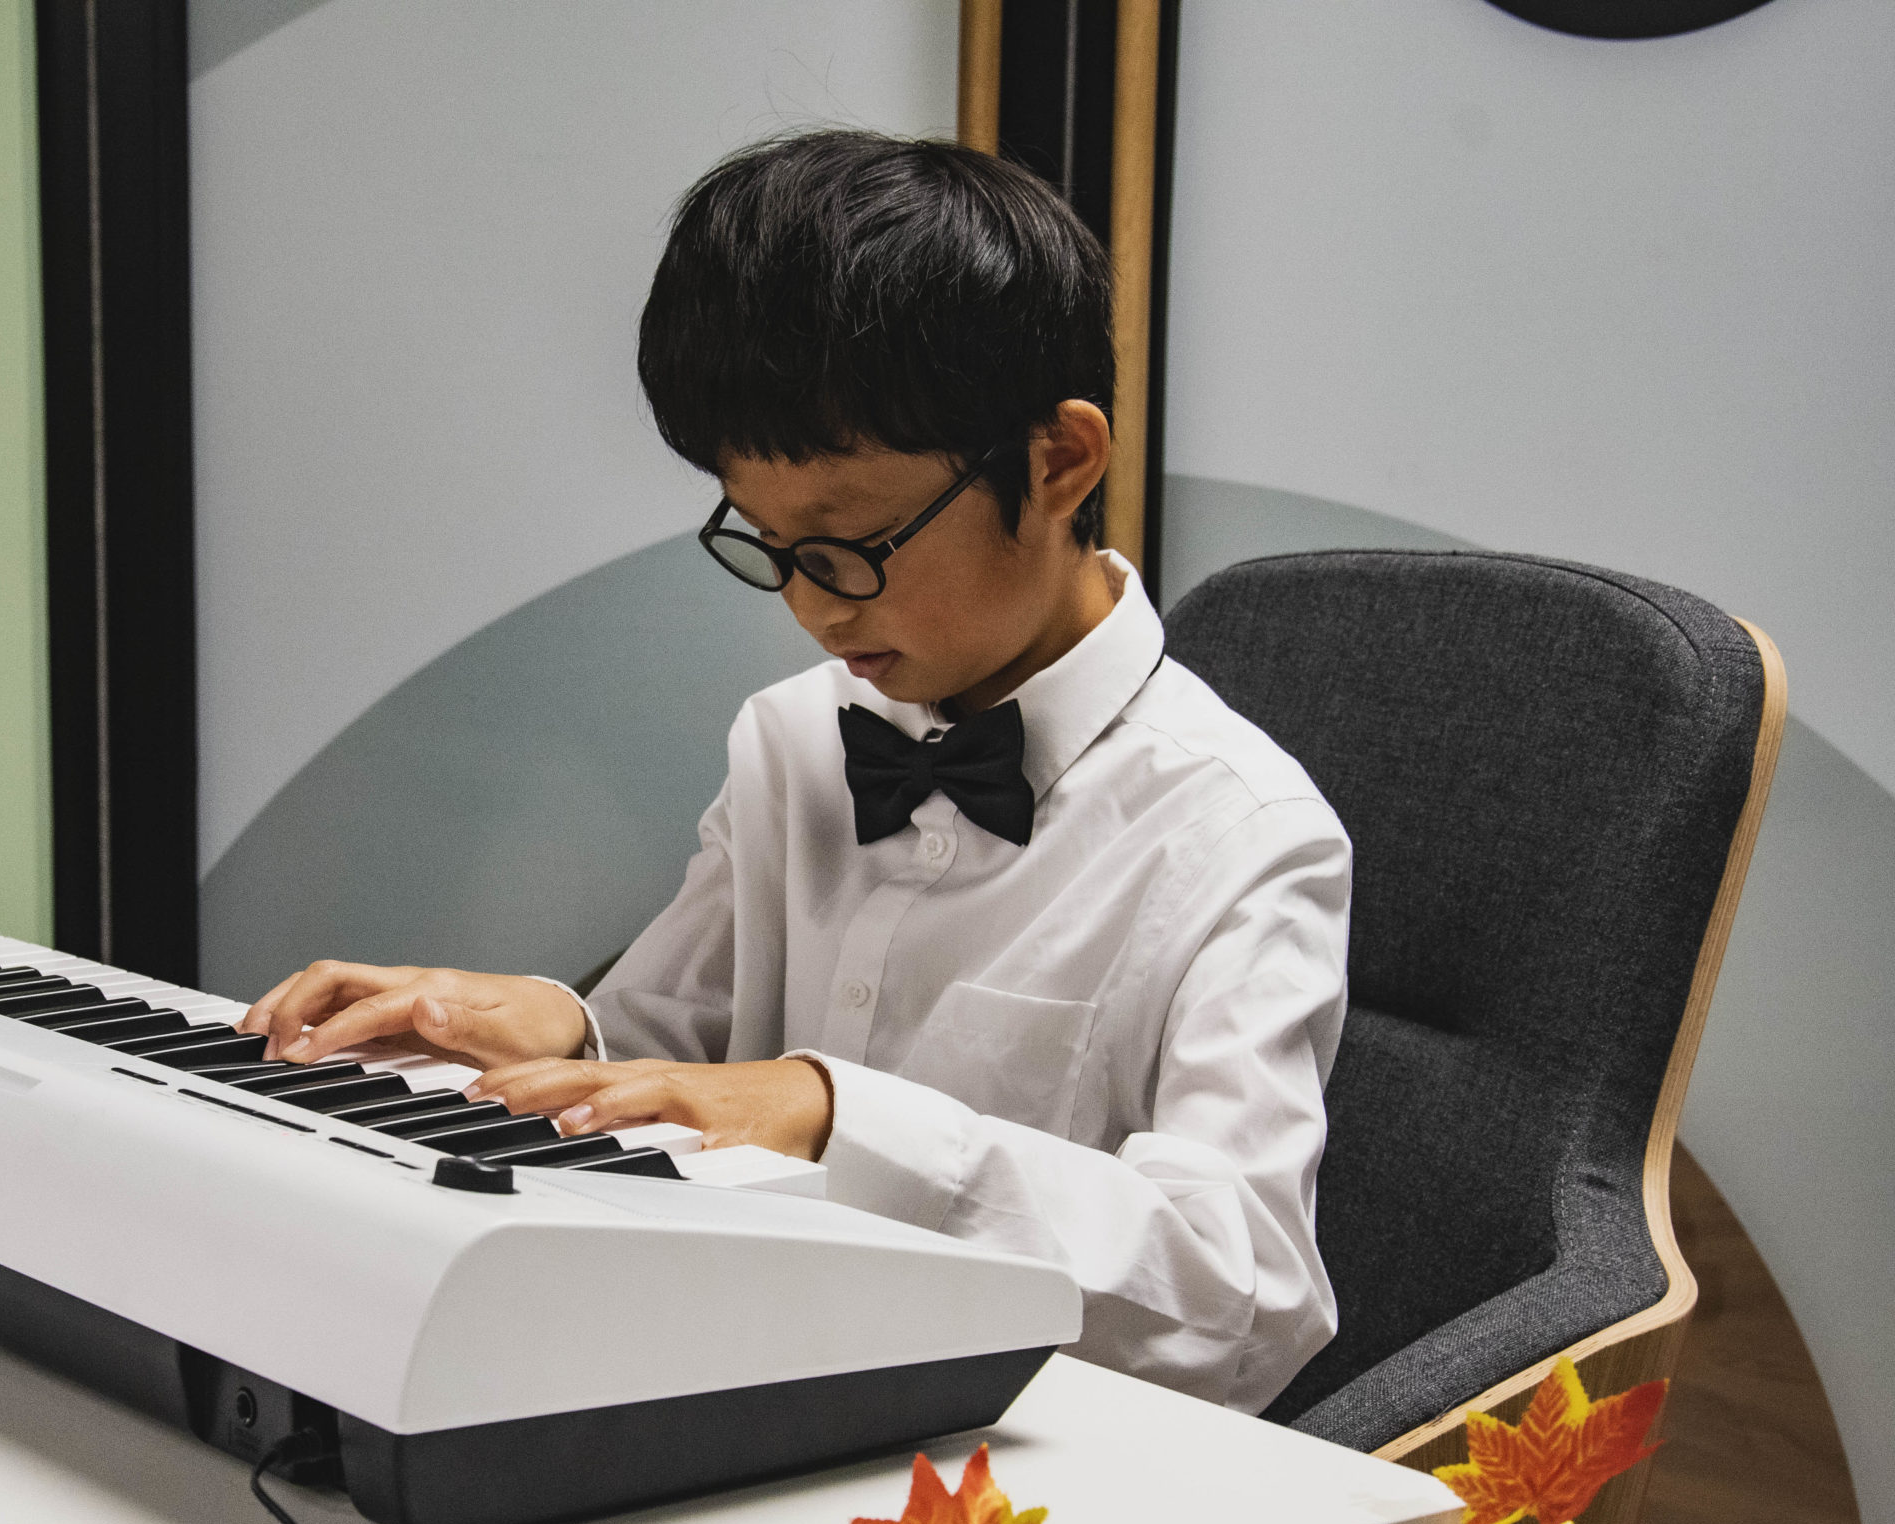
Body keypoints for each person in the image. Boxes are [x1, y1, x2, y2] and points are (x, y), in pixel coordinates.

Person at [238, 130, 1345, 1414]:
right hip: (724, 1380)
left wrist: (838, 1116)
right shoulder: (792, 737)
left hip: (1024, 1481)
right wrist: (559, 1026)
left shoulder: (1245, 834)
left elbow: (1246, 1300)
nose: (814, 611)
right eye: (767, 543)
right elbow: (683, 1052)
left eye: (852, 543)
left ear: (1057, 462)